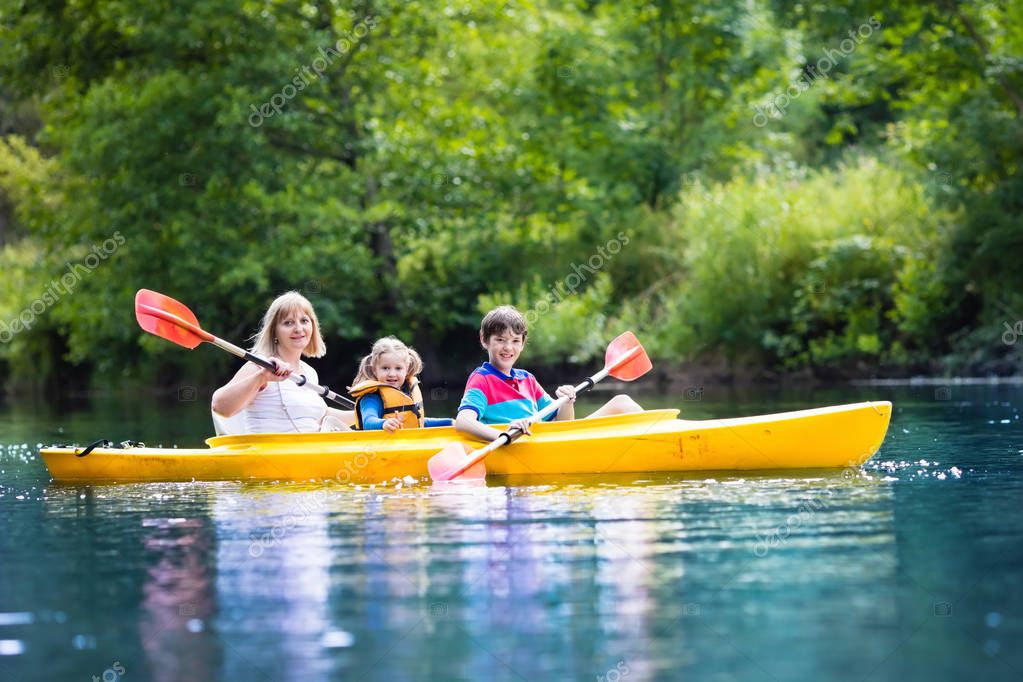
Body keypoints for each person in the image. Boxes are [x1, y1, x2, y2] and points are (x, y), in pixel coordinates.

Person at [455, 305, 642, 442]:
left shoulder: (527, 379)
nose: (508, 347)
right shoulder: (481, 379)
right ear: (484, 340)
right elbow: (463, 422)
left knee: (622, 402)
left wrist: (567, 402)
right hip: (524, 444)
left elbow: (564, 424)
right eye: (500, 339)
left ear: (522, 342)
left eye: (515, 340)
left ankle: (663, 439)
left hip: (549, 440)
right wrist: (504, 435)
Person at [211, 291, 353, 433]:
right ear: (274, 332)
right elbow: (220, 407)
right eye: (288, 323)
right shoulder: (260, 366)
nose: (298, 329)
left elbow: (319, 417)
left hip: (307, 451)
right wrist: (262, 377)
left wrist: (361, 412)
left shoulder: (309, 372)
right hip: (268, 453)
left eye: (304, 321)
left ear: (313, 326)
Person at [348, 336, 454, 431]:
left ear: (406, 369)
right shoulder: (372, 396)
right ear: (375, 370)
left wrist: (450, 422)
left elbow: (418, 423)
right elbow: (368, 422)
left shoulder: (407, 391)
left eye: (398, 368)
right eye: (385, 368)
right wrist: (384, 424)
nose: (392, 374)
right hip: (376, 450)